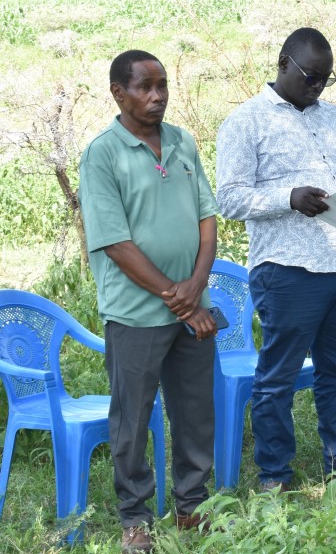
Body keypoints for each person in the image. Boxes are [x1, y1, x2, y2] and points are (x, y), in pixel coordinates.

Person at [216, 28, 336, 491]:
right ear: (283, 63)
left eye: (327, 79)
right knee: (277, 379)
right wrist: (290, 197)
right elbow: (230, 199)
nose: (318, 87)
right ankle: (274, 476)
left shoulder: (335, 117)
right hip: (288, 271)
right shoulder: (246, 122)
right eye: (310, 76)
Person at [79, 50, 218, 552]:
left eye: (163, 86)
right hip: (137, 314)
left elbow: (207, 217)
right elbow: (116, 243)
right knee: (132, 420)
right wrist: (181, 301)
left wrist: (196, 283)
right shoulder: (103, 154)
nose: (157, 96)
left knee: (195, 413)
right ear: (119, 92)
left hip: (192, 306)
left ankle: (191, 507)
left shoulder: (182, 141)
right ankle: (134, 520)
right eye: (145, 87)